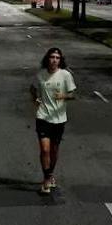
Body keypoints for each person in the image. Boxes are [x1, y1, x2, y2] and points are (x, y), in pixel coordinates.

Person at [29, 47, 76, 195]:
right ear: (47, 59)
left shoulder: (65, 75)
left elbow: (73, 94)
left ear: (60, 60)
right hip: (43, 116)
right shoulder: (41, 75)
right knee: (45, 150)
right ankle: (46, 179)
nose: (54, 60)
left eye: (57, 58)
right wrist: (35, 99)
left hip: (59, 118)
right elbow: (32, 88)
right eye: (52, 57)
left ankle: (50, 174)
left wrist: (64, 96)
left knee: (54, 150)